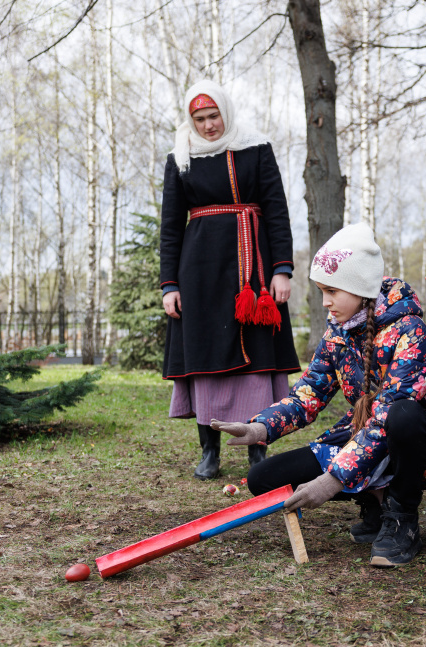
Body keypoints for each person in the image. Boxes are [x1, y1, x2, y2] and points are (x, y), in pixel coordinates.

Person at [211, 224, 426, 567]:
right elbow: (309, 393)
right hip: (362, 436)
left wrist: (333, 480)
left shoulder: (410, 332)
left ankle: (402, 516)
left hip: (423, 447)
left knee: (401, 416)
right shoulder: (338, 333)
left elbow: (385, 417)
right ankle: (374, 499)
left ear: (360, 287)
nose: (325, 302)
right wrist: (260, 428)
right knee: (262, 479)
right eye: (321, 291)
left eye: (332, 291)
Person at [159, 80, 301, 481]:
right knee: (206, 359)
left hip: (254, 275)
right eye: (200, 119)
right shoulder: (180, 157)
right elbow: (170, 226)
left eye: (214, 116)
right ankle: (210, 449)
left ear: (226, 112)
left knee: (257, 357)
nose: (208, 125)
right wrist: (170, 285)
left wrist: (282, 269)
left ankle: (258, 448)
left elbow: (277, 211)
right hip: (200, 275)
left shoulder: (255, 148)